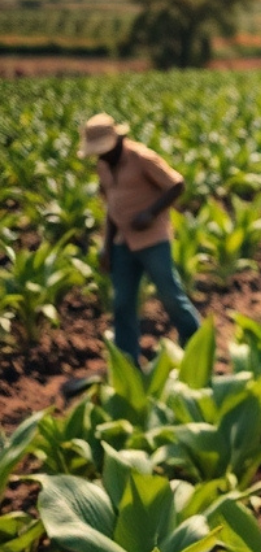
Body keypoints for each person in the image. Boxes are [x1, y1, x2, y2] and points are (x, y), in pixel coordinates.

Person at [79, 113, 201, 364]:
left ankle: (198, 346)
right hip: (122, 242)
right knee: (122, 303)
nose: (100, 156)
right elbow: (111, 207)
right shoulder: (103, 165)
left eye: (103, 150)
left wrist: (151, 213)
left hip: (153, 240)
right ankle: (128, 364)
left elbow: (176, 184)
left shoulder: (141, 157)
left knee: (170, 295)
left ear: (116, 141)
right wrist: (106, 247)